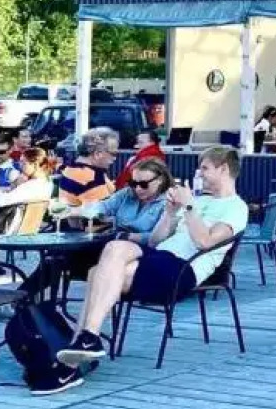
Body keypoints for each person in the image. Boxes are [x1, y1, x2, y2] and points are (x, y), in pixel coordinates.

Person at [56, 146, 248, 384]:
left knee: (98, 273)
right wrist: (170, 213)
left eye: (205, 168)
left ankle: (76, 353)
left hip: (182, 270)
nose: (199, 173)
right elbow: (156, 241)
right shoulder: (199, 200)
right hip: (159, 256)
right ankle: (86, 341)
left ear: (224, 169)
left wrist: (189, 207)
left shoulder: (236, 207)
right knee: (113, 248)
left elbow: (205, 242)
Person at [18, 158, 171, 299]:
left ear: (160, 180)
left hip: (139, 255)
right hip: (111, 244)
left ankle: (24, 297)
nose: (137, 188)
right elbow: (102, 207)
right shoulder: (127, 194)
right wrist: (73, 211)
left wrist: (128, 236)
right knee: (58, 254)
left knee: (62, 256)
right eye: (133, 183)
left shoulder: (169, 203)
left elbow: (162, 238)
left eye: (143, 184)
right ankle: (30, 299)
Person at [54, 128, 119, 207]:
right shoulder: (92, 179)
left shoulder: (71, 168)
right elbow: (105, 211)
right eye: (113, 153)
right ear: (98, 154)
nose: (115, 158)